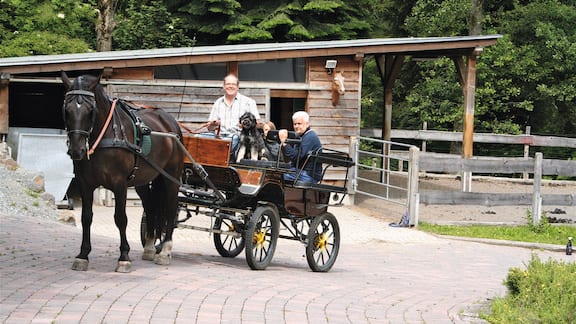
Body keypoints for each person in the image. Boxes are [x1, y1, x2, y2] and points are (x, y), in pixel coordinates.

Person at [206, 74, 260, 159]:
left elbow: (257, 123)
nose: (230, 86)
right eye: (228, 84)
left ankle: (216, 160)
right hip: (218, 136)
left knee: (229, 142)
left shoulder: (249, 102)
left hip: (237, 137)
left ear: (238, 87)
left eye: (233, 84)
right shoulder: (218, 102)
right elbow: (209, 128)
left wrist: (245, 126)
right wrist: (214, 124)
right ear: (224, 86)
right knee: (198, 137)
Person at [278, 111, 322, 183]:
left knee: (278, 176)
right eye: (295, 124)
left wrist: (284, 142)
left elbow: (296, 157)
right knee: (277, 171)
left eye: (299, 124)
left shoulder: (310, 136)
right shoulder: (301, 137)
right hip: (300, 171)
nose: (296, 126)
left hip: (308, 174)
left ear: (307, 124)